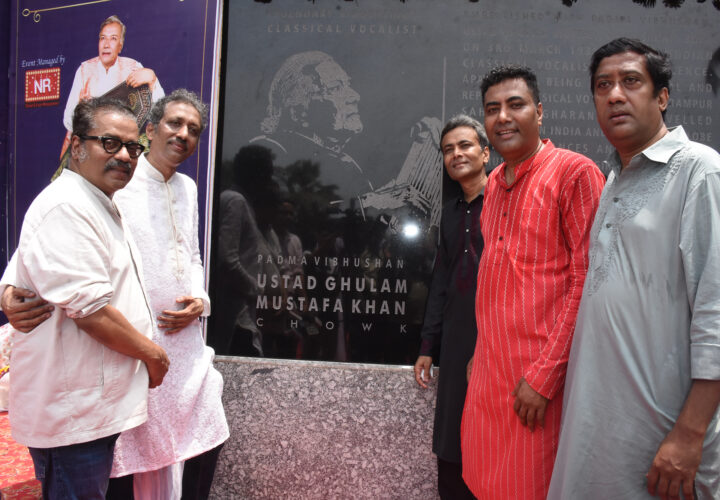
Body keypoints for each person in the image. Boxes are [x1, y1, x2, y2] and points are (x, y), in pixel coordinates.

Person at [4, 90, 229, 499]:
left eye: (193, 130)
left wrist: (200, 298)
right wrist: (7, 289)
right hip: (127, 355)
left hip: (179, 351)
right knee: (126, 465)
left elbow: (191, 253)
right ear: (151, 129)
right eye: (174, 124)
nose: (182, 134)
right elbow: (38, 247)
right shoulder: (109, 184)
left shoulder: (183, 189)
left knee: (194, 448)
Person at [548, 38, 720, 500]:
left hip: (665, 437)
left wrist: (689, 434)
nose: (615, 95)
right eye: (603, 85)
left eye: (630, 82)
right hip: (600, 431)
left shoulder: (700, 172)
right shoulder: (612, 181)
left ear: (661, 97)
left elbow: (716, 312)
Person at [460, 65, 605, 500]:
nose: (502, 117)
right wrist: (478, 353)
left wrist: (544, 377)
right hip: (489, 376)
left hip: (540, 386)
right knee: (483, 483)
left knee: (530, 488)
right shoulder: (492, 185)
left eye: (515, 105)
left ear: (539, 112)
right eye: (491, 109)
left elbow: (587, 283)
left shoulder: (574, 173)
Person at [412, 115, 490, 500]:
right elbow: (441, 283)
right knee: (451, 442)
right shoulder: (451, 213)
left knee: (489, 441)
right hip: (456, 342)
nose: (456, 154)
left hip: (495, 342)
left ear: (485, 153)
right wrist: (428, 346)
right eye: (448, 150)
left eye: (465, 145)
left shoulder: (506, 204)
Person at [60, 15, 165, 158]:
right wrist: (83, 112)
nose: (106, 44)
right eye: (103, 38)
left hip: (125, 148)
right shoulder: (84, 70)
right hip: (93, 147)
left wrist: (152, 80)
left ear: (120, 46)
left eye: (113, 39)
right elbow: (68, 119)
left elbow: (159, 112)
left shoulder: (134, 67)